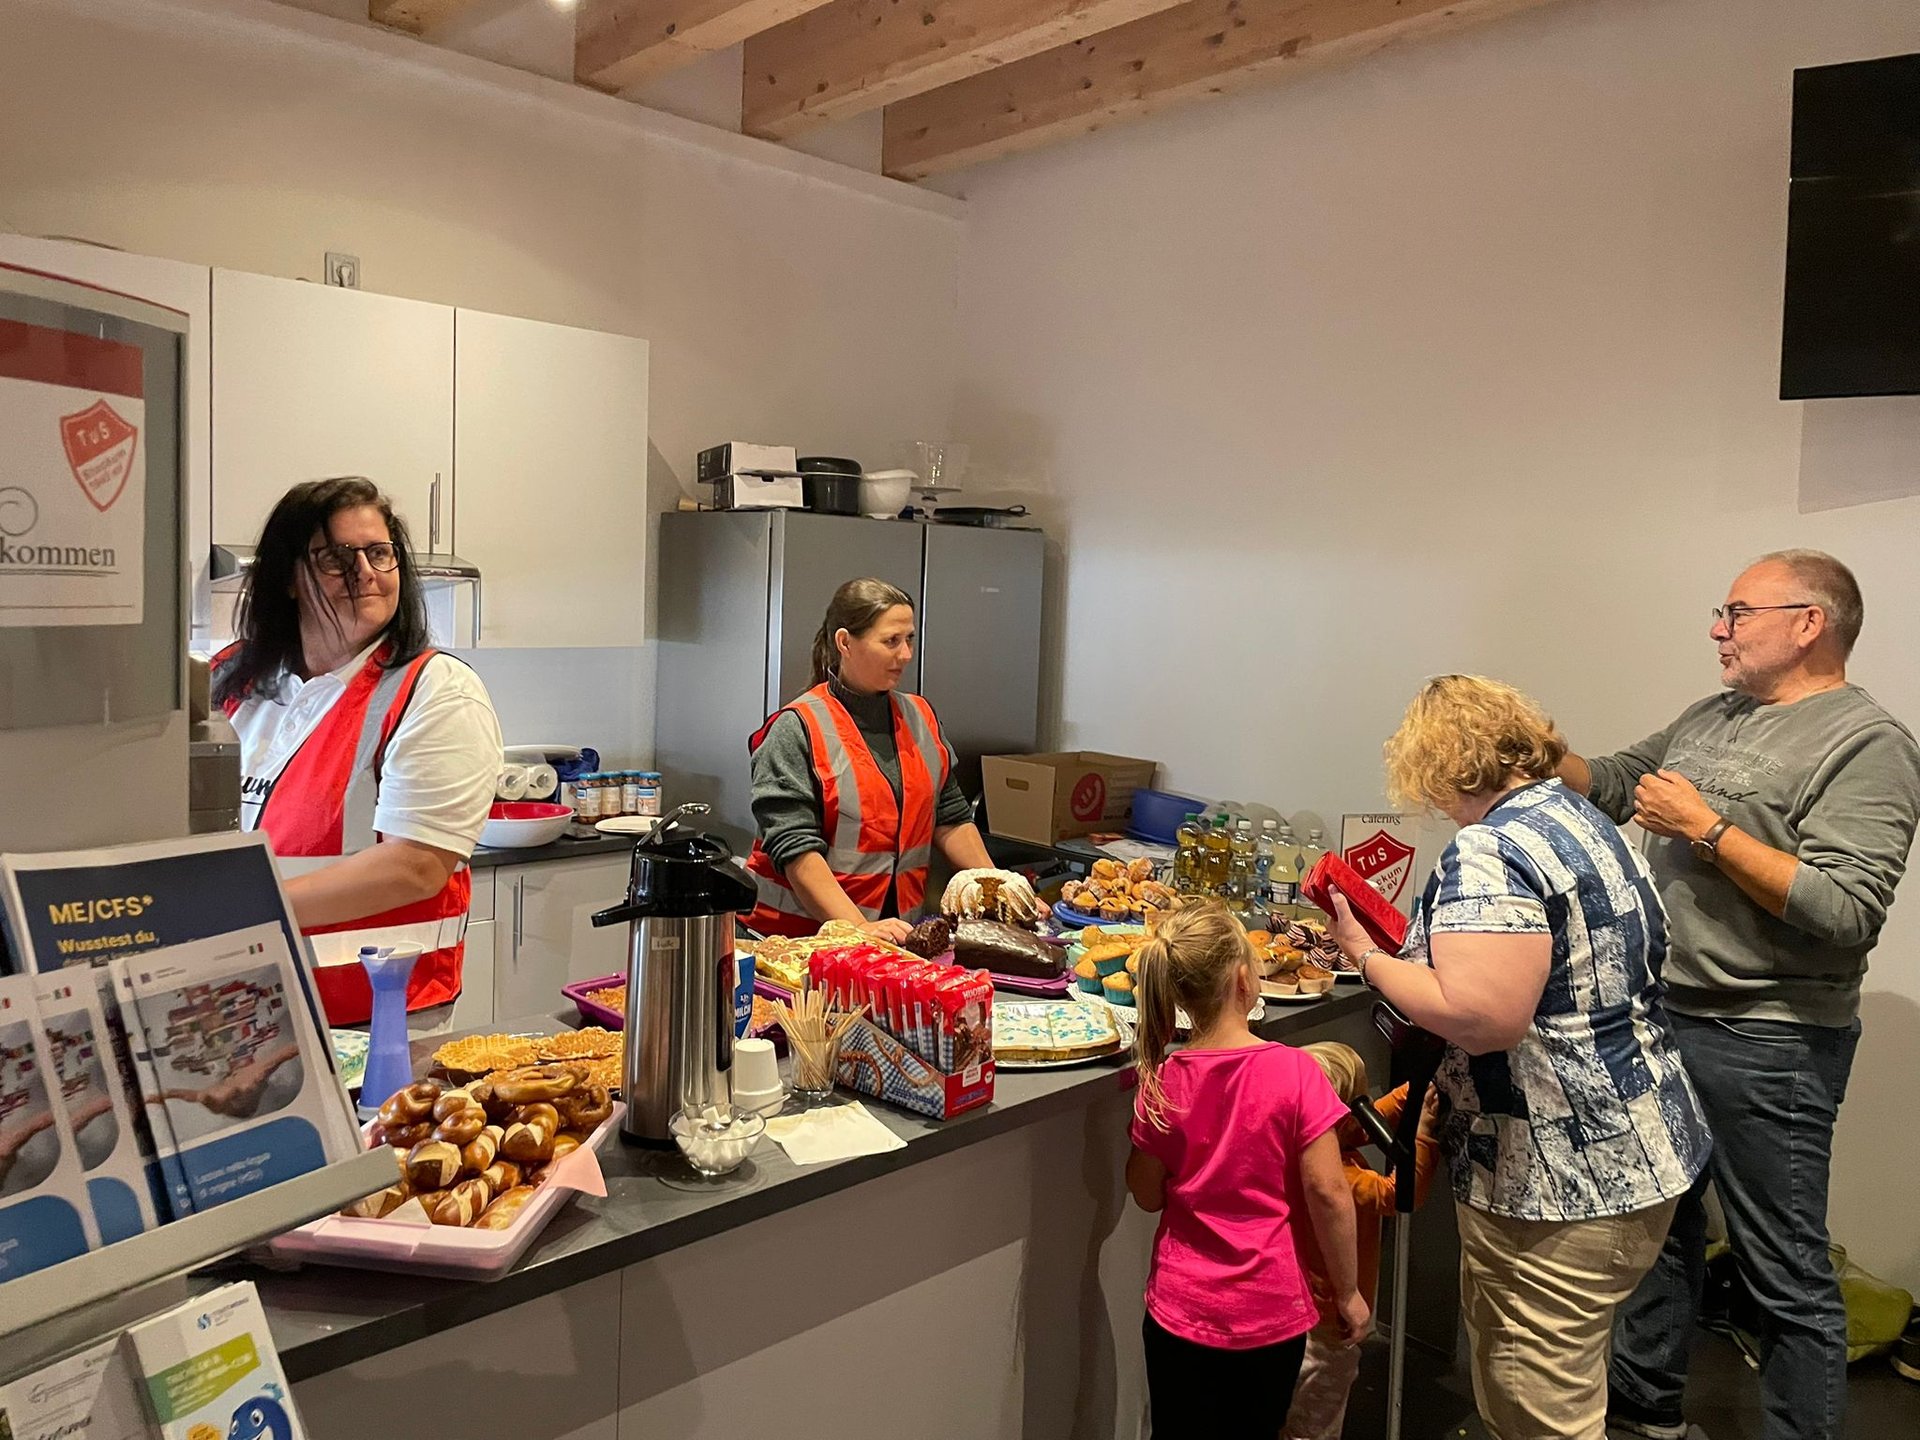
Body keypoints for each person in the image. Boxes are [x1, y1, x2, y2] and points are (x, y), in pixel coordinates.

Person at [1554, 549, 1920, 1440]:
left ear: (1809, 623)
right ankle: (1646, 1414)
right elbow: (1611, 784)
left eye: (1738, 613)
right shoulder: (1712, 715)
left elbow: (1845, 909)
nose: (1718, 630)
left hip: (1770, 1039)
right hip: (1662, 1017)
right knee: (1660, 1233)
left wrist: (1705, 829)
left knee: (1781, 1271)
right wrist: (1528, 748)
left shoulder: (1869, 745)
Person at [1325, 675, 1711, 1440]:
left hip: (1557, 1178)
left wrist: (1365, 956)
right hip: (1645, 1148)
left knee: (1538, 1414)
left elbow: (1482, 1018)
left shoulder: (1490, 849)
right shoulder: (1583, 818)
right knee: (1569, 1382)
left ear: (1439, 766)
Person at [212, 477, 503, 1028]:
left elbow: (416, 868)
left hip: (377, 1018)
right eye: (336, 558)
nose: (365, 572)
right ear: (289, 578)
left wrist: (238, 912)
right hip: (245, 1007)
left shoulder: (435, 689)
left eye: (379, 553)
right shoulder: (230, 677)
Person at [1127, 900, 1369, 1440]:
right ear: (1243, 979)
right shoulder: (1297, 1073)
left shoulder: (1163, 1081)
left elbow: (1145, 1194)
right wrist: (1348, 1291)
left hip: (1180, 1310)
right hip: (1268, 1313)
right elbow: (1329, 1193)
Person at [744, 578, 994, 942]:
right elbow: (795, 849)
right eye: (891, 641)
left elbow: (950, 816)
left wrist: (1000, 886)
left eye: (909, 639)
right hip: (798, 941)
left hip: (890, 936)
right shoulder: (796, 729)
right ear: (845, 642)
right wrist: (857, 927)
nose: (906, 654)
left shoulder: (920, 717)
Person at [1284, 1042, 1442, 1440]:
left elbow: (1359, 1126)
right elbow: (1398, 1194)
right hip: (1329, 1326)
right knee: (1314, 1425)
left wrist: (1413, 1091)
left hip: (1292, 1314)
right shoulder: (1342, 1177)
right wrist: (1423, 1135)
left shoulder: (1292, 1148)